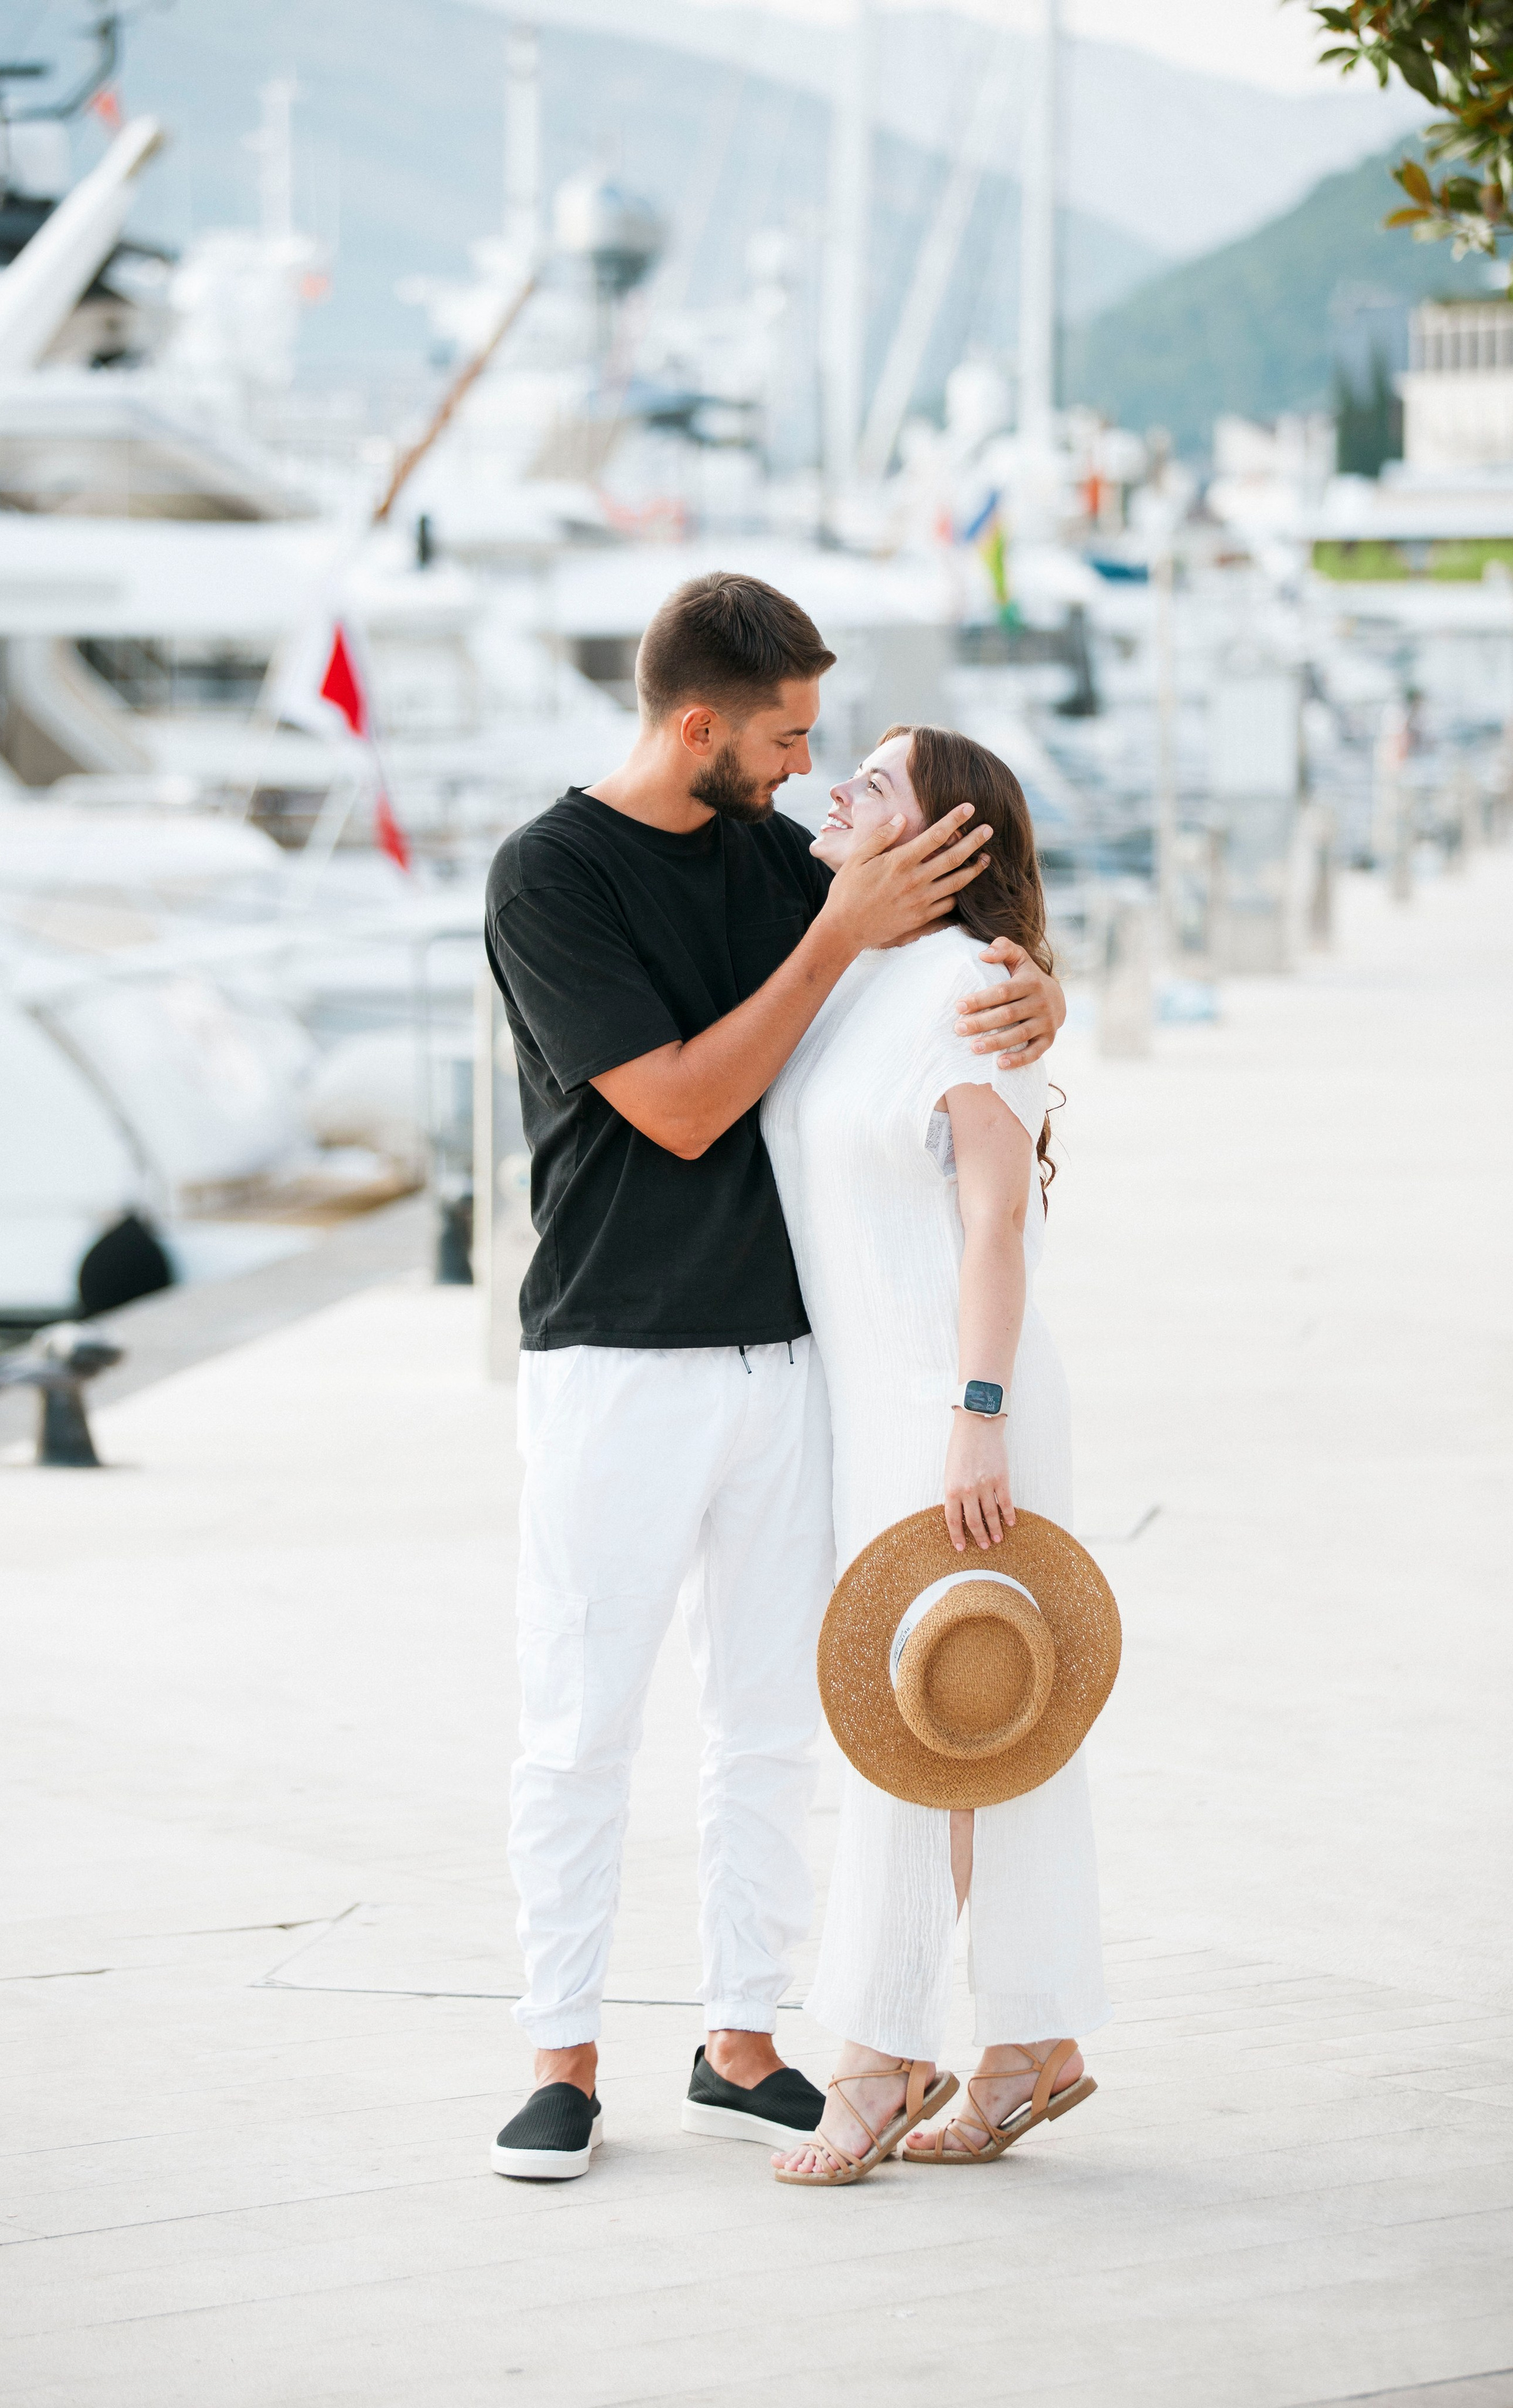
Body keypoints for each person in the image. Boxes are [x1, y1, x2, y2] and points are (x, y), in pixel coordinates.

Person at [482, 575, 1067, 2180]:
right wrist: (834, 935)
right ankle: (561, 2055)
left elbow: (943, 976)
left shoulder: (775, 858)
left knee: (766, 1724)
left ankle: (741, 2041)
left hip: (793, 1361)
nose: (808, 773)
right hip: (613, 1355)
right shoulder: (552, 875)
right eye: (785, 737)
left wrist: (1031, 990)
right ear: (696, 727)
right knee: (580, 1717)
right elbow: (675, 1106)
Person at [762, 723, 1109, 2184]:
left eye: (879, 782)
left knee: (923, 1729)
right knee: (959, 1725)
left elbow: (989, 1223)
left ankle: (876, 2054)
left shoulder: (972, 990)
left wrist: (977, 1411)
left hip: (947, 1406)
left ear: (946, 839)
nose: (837, 788)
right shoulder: (855, 968)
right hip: (876, 1401)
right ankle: (1030, 2042)